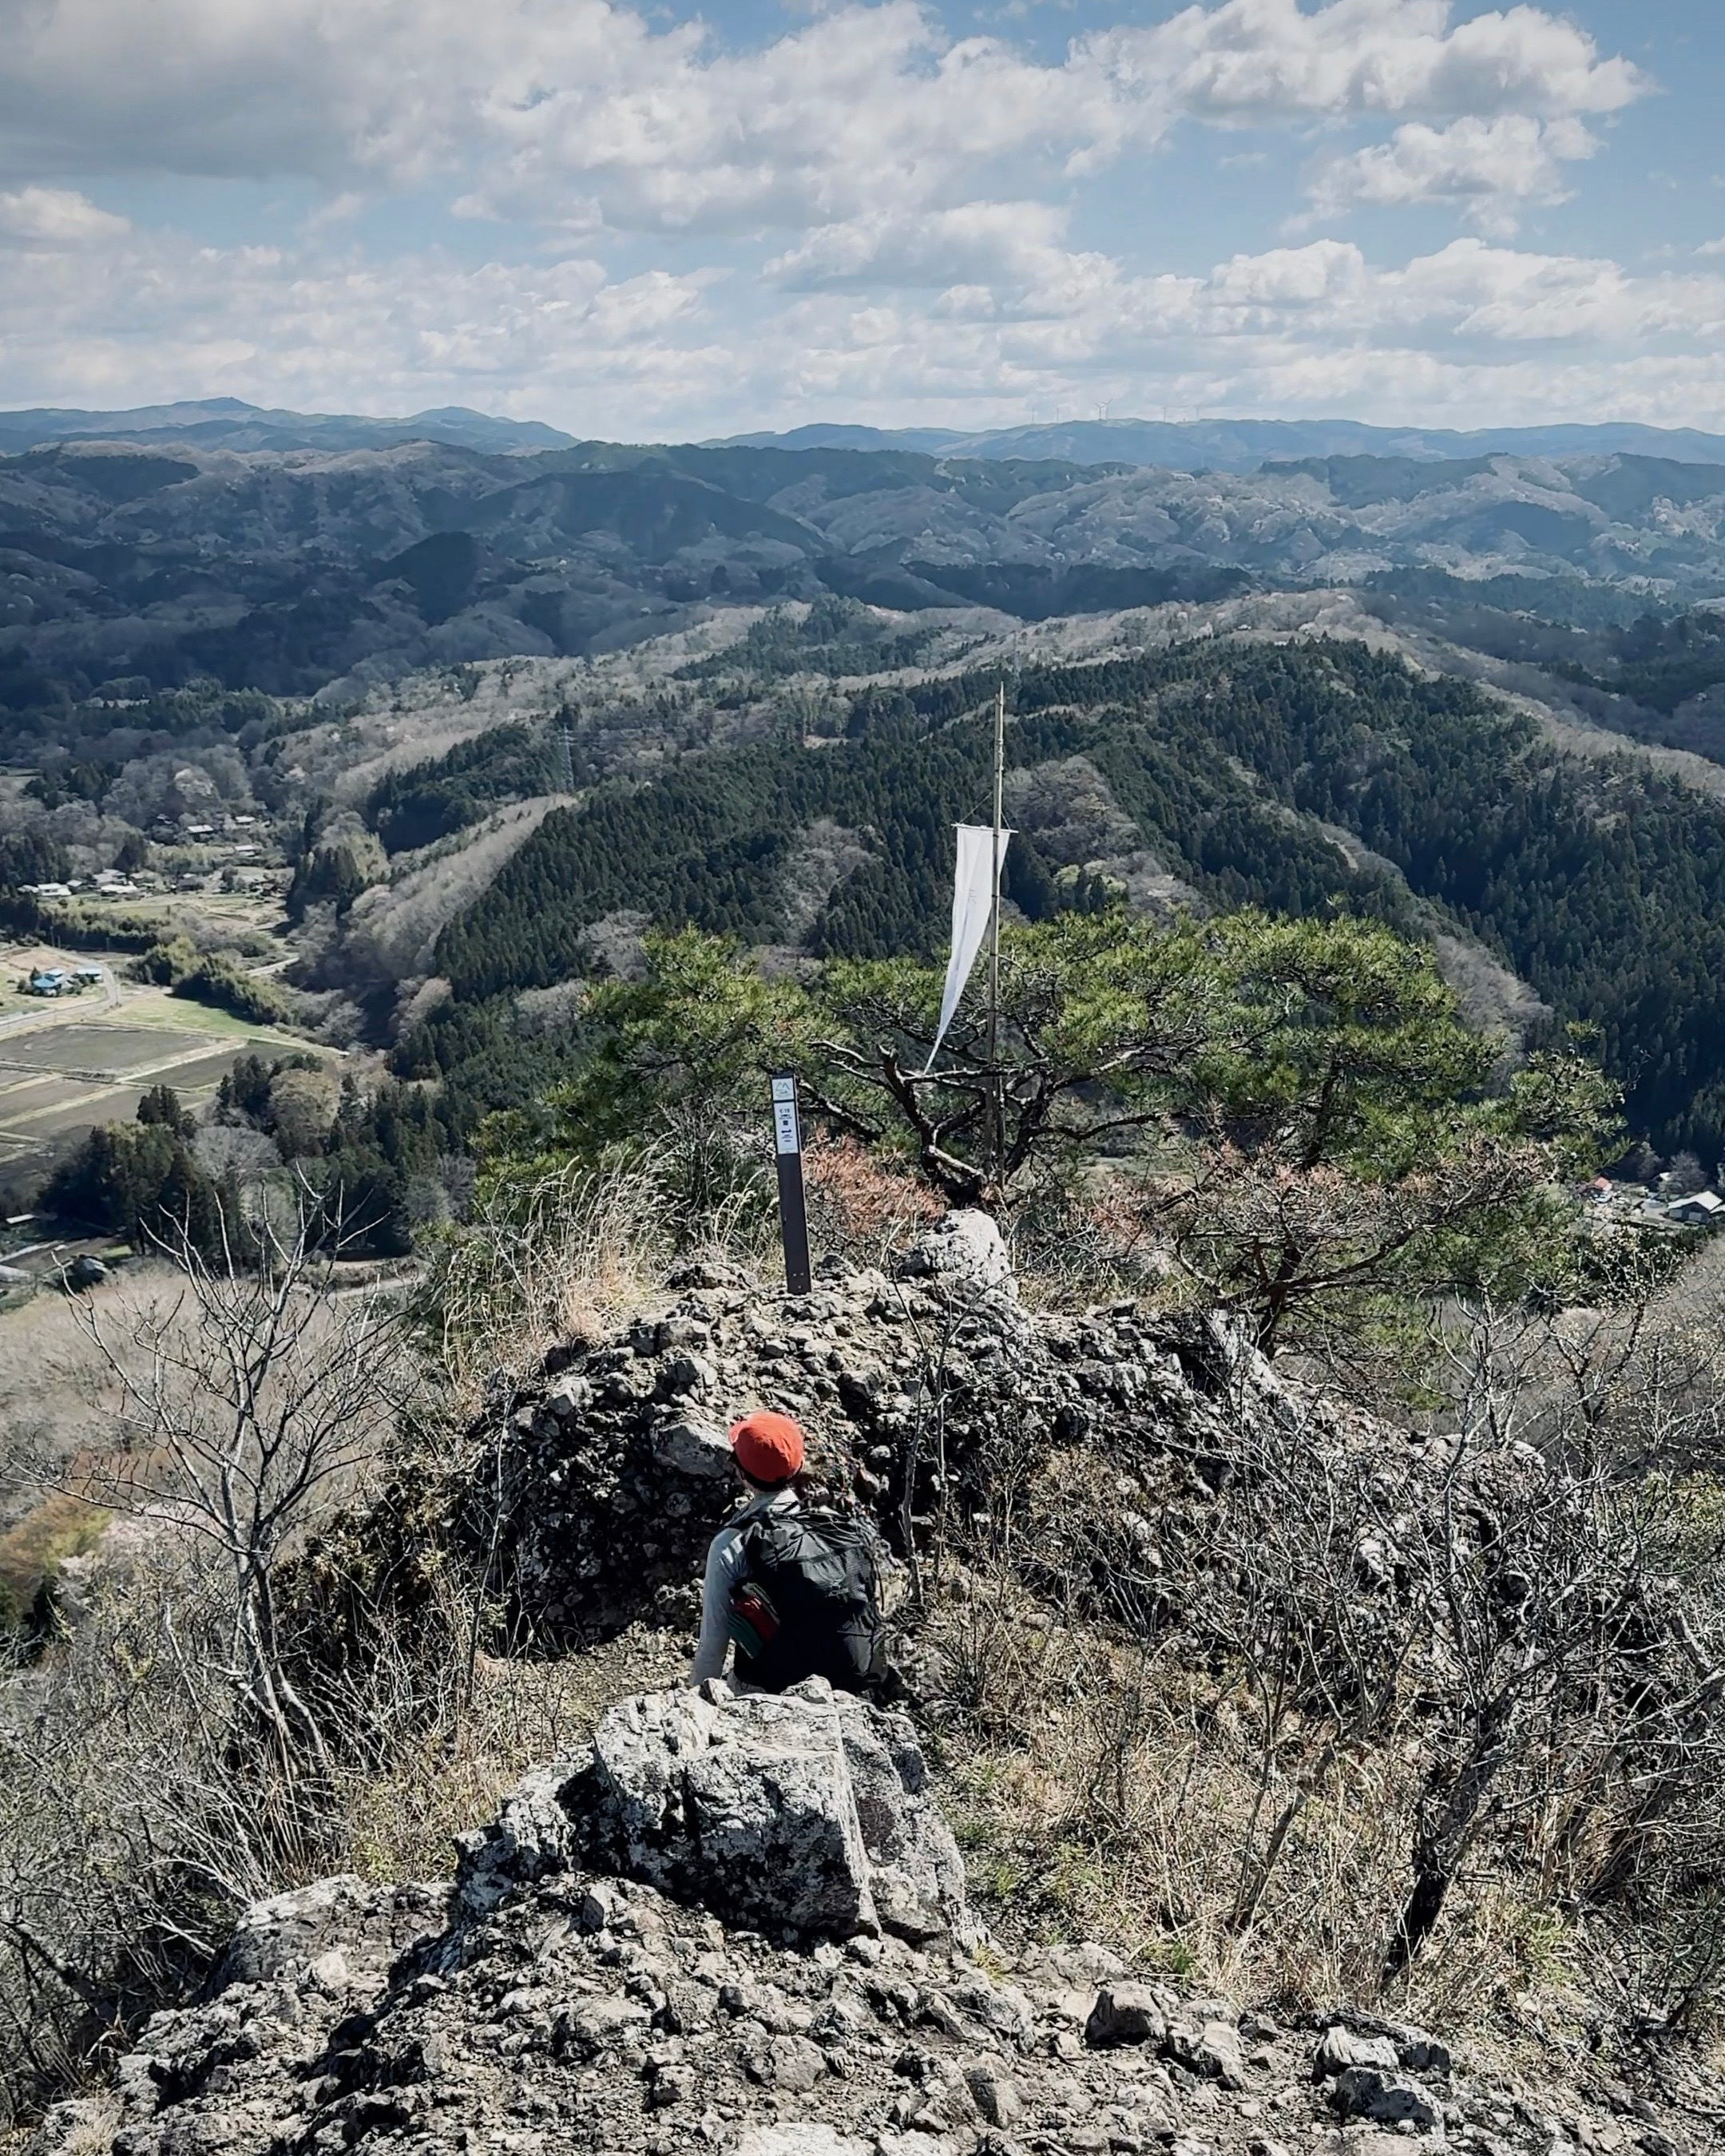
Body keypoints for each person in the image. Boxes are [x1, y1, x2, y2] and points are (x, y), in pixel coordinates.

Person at [689, 1409, 884, 1694]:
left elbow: (712, 1650)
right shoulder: (835, 1524)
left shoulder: (731, 1544)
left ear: (741, 1473)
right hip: (843, 1685)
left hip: (769, 1691)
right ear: (798, 1465)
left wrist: (693, 1708)